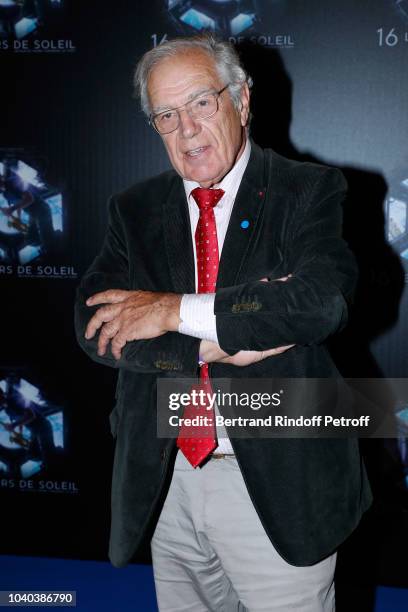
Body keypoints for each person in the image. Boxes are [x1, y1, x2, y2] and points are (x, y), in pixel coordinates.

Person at [75, 33, 372, 611]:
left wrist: (167, 310)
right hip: (169, 478)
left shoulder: (306, 190)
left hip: (279, 482)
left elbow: (318, 303)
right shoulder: (134, 210)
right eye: (166, 115)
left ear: (241, 100)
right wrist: (207, 346)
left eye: (201, 103)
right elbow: (94, 328)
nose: (186, 129)